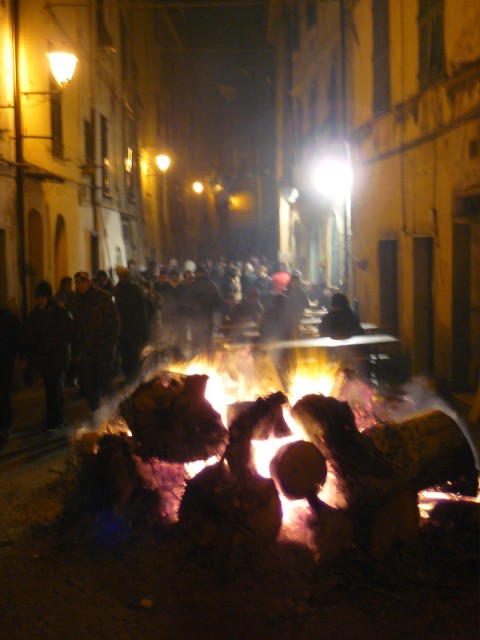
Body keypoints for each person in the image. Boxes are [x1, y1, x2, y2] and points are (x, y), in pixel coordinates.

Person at [25, 281, 73, 432]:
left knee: (55, 388)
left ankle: (56, 420)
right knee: (50, 389)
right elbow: (32, 333)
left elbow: (66, 332)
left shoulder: (59, 311)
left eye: (43, 297)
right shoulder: (36, 313)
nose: (41, 300)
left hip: (57, 356)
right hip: (45, 358)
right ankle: (53, 417)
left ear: (48, 296)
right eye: (39, 298)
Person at [71, 271, 120, 413]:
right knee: (89, 385)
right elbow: (75, 327)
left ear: (89, 282)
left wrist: (110, 345)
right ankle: (96, 413)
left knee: (105, 385)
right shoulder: (77, 301)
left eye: (83, 281)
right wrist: (75, 351)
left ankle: (109, 415)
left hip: (103, 348)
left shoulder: (103, 297)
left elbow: (114, 323)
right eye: (77, 282)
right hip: (86, 349)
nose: (80, 285)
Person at [113, 266, 148, 382]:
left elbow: (141, 307)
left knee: (132, 352)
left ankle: (134, 376)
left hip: (132, 326)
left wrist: (141, 324)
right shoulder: (118, 289)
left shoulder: (132, 289)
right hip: (125, 326)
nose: (122, 277)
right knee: (126, 352)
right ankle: (130, 376)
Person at [0, 306, 27, 445]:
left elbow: (18, 337)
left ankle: (4, 426)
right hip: (6, 360)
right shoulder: (9, 316)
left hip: (4, 362)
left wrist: (23, 355)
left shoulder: (7, 317)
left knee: (3, 393)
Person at [189, 265, 224, 356]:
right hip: (208, 318)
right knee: (207, 341)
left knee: (195, 341)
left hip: (194, 318)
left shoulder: (192, 285)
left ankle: (195, 358)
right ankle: (206, 358)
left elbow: (186, 301)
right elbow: (219, 302)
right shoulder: (212, 285)